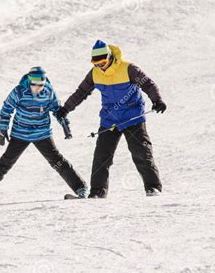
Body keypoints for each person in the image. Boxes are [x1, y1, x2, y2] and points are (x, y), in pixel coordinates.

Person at [56, 40, 167, 198]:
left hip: (132, 117)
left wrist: (157, 100)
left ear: (109, 57)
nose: (100, 66)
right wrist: (66, 108)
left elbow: (148, 84)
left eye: (102, 62)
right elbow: (81, 92)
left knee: (141, 152)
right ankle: (97, 193)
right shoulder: (95, 73)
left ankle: (153, 187)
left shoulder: (128, 68)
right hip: (110, 120)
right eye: (96, 63)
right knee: (101, 156)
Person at [0, 67, 87, 204]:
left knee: (57, 161)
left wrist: (64, 124)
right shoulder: (19, 91)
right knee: (5, 162)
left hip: (42, 133)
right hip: (20, 133)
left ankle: (81, 188)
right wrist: (3, 130)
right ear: (29, 82)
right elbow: (6, 109)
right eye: (34, 84)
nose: (37, 88)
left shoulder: (48, 91)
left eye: (41, 85)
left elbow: (57, 110)